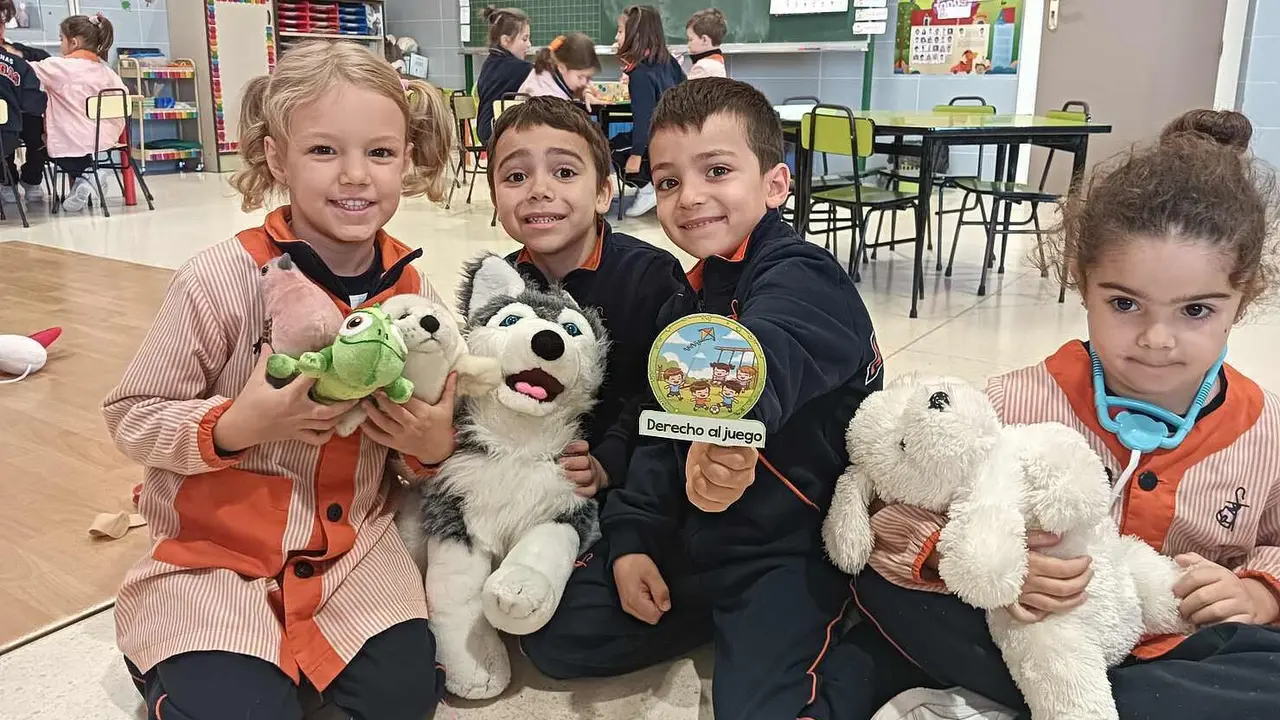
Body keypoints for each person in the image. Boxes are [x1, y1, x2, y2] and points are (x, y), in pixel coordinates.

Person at [860, 109, 1280, 720]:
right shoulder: (1015, 401)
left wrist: (1256, 591)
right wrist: (989, 570)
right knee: (880, 591)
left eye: (1196, 311)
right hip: (1033, 638)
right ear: (1083, 286)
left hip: (1184, 650)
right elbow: (891, 515)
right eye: (1125, 303)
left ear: (1241, 302)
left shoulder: (1263, 429)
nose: (1157, 338)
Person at [522, 78, 899, 720]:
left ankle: (882, 649)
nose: (690, 197)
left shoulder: (804, 274)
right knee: (560, 637)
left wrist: (724, 432)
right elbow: (654, 429)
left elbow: (767, 355)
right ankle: (720, 622)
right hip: (700, 539)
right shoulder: (684, 300)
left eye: (717, 170)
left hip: (789, 546)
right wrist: (634, 538)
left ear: (776, 185)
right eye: (668, 181)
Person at [102, 41, 456, 720]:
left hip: (354, 560)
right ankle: (173, 664)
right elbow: (133, 415)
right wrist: (239, 425)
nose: (356, 176)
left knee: (404, 701)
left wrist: (433, 444)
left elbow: (427, 453)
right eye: (325, 151)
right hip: (213, 564)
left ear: (406, 161)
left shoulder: (416, 298)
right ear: (276, 157)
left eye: (379, 154)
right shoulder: (217, 279)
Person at [488, 96, 685, 496]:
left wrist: (609, 461)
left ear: (602, 193)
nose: (539, 190)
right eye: (515, 177)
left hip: (629, 480)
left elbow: (660, 392)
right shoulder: (500, 286)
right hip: (523, 478)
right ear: (494, 198)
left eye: (564, 172)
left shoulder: (650, 276)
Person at [28, 13, 126, 212]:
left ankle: (88, 173)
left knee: (40, 142)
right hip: (105, 141)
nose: (60, 44)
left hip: (73, 140)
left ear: (73, 42)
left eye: (61, 39)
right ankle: (88, 176)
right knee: (69, 140)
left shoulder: (58, 67)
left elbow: (25, 71)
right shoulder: (108, 71)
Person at [612, 4, 684, 218]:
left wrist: (635, 155)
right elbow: (685, 90)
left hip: (658, 139)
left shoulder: (640, 73)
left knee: (612, 147)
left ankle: (646, 188)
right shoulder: (667, 61)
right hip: (679, 135)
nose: (617, 36)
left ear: (636, 35)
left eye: (621, 31)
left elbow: (644, 119)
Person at [0, 0, 47, 203]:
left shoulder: (16, 53)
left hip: (18, 117)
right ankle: (6, 179)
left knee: (35, 124)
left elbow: (42, 57)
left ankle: (31, 178)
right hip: (7, 125)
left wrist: (20, 54)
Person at [475, 6, 531, 146]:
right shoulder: (518, 68)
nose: (529, 45)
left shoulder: (489, 63)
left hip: (485, 130)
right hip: (497, 132)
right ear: (505, 41)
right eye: (525, 39)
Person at [517, 33, 602, 107]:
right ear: (562, 68)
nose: (584, 82)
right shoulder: (545, 97)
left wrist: (586, 93)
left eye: (588, 77)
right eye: (580, 77)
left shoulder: (553, 70)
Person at [685, 8, 727, 79]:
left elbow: (685, 89)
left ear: (704, 40)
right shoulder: (716, 61)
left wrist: (675, 69)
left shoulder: (703, 67)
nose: (688, 45)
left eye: (690, 39)